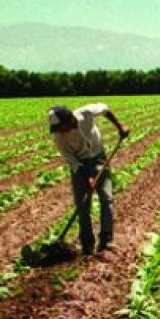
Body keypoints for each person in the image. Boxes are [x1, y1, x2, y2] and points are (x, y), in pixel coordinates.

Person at [47, 103, 129, 254]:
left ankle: (106, 241)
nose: (60, 131)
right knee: (82, 205)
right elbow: (71, 160)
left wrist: (120, 126)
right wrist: (87, 176)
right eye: (57, 129)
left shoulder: (86, 113)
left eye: (61, 127)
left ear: (70, 119)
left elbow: (105, 109)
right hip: (79, 165)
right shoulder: (59, 137)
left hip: (99, 159)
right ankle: (87, 244)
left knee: (107, 198)